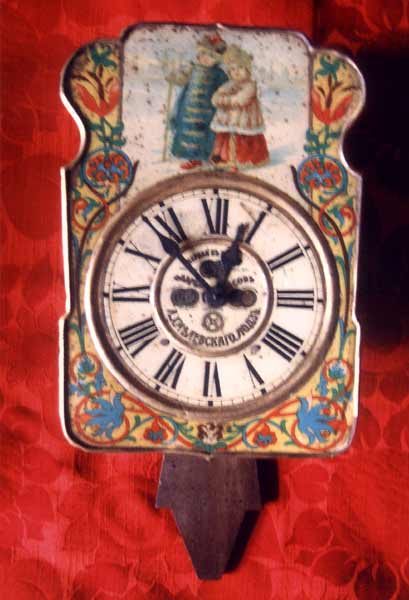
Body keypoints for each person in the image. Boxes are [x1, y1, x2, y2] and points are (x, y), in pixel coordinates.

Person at [169, 33, 228, 170]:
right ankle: (193, 159)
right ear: (198, 54)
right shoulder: (192, 69)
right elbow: (181, 79)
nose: (206, 58)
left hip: (208, 112)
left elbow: (224, 88)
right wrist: (174, 77)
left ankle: (210, 157)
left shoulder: (219, 73)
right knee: (188, 134)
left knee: (207, 136)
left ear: (217, 59)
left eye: (211, 56)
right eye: (204, 54)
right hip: (189, 109)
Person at [210, 45, 269, 170]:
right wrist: (221, 98)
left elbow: (240, 100)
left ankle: (240, 161)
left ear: (248, 69)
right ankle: (225, 159)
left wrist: (225, 100)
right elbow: (216, 97)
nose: (236, 72)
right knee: (226, 137)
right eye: (232, 69)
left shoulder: (250, 85)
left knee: (241, 139)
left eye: (240, 68)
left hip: (244, 120)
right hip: (228, 119)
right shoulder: (229, 84)